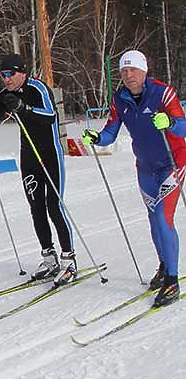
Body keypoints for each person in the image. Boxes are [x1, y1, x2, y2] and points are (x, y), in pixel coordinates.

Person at [82, 50, 186, 307]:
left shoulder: (163, 93)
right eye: (124, 71)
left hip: (172, 163)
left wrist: (170, 122)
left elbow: (184, 126)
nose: (129, 76)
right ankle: (164, 266)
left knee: (164, 217)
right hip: (145, 167)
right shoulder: (120, 99)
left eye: (134, 70)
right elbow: (110, 131)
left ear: (144, 70)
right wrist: (97, 138)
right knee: (153, 219)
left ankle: (172, 281)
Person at [0, 54, 75, 285]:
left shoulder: (38, 88)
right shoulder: (5, 96)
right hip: (29, 156)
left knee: (54, 206)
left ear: (22, 72)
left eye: (10, 74)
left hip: (50, 154)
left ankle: (69, 260)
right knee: (36, 207)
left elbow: (50, 116)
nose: (6, 79)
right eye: (3, 75)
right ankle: (49, 258)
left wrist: (23, 108)